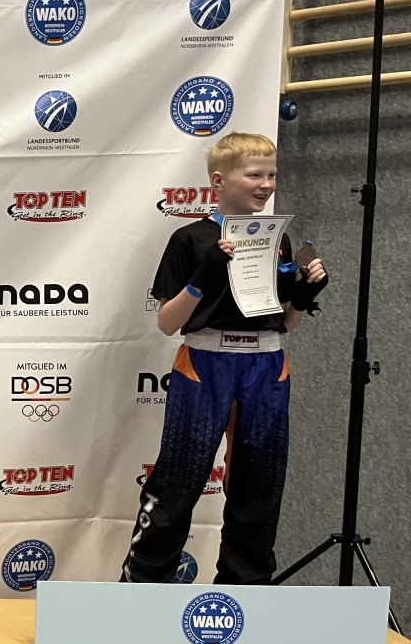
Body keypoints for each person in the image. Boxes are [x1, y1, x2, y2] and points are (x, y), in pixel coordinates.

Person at [123, 132, 327, 584]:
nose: (266, 184)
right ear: (219, 181)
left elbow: (286, 323)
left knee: (260, 485)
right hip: (205, 365)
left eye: (272, 175)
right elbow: (167, 323)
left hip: (267, 367)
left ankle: (245, 591)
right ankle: (141, 589)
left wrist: (303, 295)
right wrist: (200, 280)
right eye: (254, 174)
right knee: (179, 480)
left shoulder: (278, 240)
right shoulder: (190, 238)